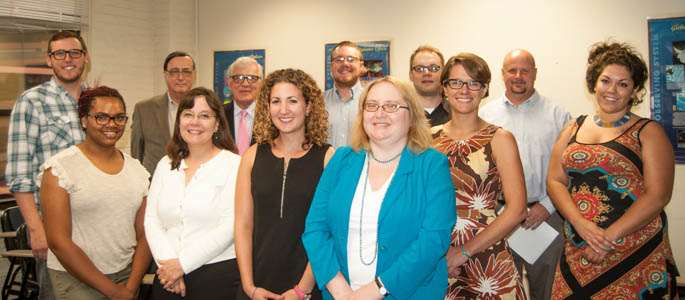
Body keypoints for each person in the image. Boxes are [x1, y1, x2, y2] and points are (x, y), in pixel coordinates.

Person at [303, 76, 456, 299]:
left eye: (392, 106)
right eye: (371, 105)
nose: (380, 113)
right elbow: (315, 229)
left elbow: (433, 240)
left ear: (412, 116)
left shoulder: (432, 165)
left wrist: (376, 290)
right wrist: (340, 290)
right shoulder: (341, 160)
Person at [548, 41, 679, 299]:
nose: (612, 90)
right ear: (595, 83)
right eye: (606, 81)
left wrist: (607, 238)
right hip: (580, 248)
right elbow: (555, 180)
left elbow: (658, 195)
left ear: (635, 90)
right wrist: (580, 224)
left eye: (623, 84)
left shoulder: (648, 131)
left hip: (635, 253)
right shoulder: (573, 127)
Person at [39, 86, 151, 300]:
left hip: (126, 276)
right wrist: (112, 292)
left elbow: (144, 235)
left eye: (119, 118)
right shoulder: (60, 169)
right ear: (83, 120)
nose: (111, 124)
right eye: (101, 117)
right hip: (75, 279)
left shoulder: (137, 170)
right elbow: (58, 242)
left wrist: (130, 287)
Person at [432, 53, 527, 299]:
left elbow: (517, 210)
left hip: (486, 256)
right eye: (456, 82)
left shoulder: (500, 139)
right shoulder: (426, 140)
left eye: (473, 83)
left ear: (484, 89)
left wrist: (464, 251)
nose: (464, 90)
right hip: (435, 255)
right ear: (444, 88)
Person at [479, 49, 571, 300]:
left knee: (547, 292)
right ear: (502, 74)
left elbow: (569, 170)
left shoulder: (558, 115)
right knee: (502, 290)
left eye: (525, 70)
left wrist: (547, 206)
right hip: (498, 218)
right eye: (512, 70)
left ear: (535, 74)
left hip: (545, 218)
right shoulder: (486, 115)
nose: (518, 76)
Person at [234, 68, 334, 300]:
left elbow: (329, 230)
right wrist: (249, 286)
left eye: (292, 101)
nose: (284, 110)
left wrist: (302, 289)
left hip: (308, 287)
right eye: (276, 101)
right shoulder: (251, 156)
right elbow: (243, 225)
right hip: (257, 285)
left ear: (308, 106)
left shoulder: (328, 158)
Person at [6, 30, 89, 300]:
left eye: (74, 53)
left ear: (85, 57)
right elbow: (19, 174)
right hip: (55, 230)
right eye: (59, 54)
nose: (68, 59)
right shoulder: (31, 102)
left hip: (96, 226)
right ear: (49, 59)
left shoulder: (97, 101)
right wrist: (36, 229)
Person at [144, 87, 241, 299]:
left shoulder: (234, 165)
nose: (195, 122)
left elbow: (231, 224)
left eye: (204, 115)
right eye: (188, 114)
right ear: (179, 122)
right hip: (167, 277)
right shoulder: (166, 164)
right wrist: (169, 264)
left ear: (217, 123)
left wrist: (182, 265)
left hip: (216, 277)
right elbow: (151, 219)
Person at [131, 51, 196, 175]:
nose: (181, 77)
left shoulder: (206, 110)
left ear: (193, 75)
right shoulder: (144, 109)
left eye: (186, 72)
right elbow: (136, 156)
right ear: (165, 74)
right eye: (174, 72)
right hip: (155, 184)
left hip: (195, 182)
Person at [324, 41, 365, 149]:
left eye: (351, 59)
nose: (345, 64)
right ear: (331, 67)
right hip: (326, 166)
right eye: (339, 59)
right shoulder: (318, 102)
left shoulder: (373, 101)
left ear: (361, 66)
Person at [222, 56, 263, 155]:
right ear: (229, 83)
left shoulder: (271, 116)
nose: (245, 84)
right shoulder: (218, 115)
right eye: (238, 78)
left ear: (261, 83)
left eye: (252, 78)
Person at [408, 45, 450, 127]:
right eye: (419, 69)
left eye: (434, 68)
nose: (426, 73)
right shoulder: (401, 115)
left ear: (444, 73)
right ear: (411, 75)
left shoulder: (458, 113)